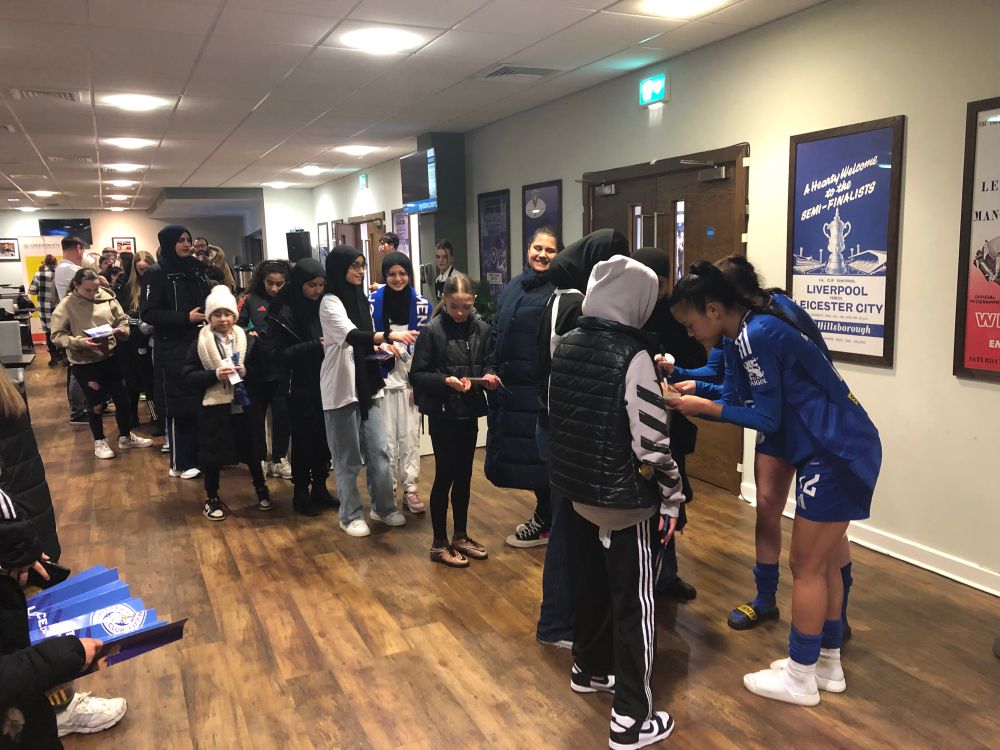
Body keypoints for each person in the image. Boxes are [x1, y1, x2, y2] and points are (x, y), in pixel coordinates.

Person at [668, 261, 881, 706]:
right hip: (836, 446)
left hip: (835, 450)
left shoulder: (756, 333)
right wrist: (702, 395)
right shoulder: (758, 324)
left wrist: (702, 408)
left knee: (807, 566)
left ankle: (800, 677)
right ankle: (826, 664)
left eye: (690, 325)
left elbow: (766, 418)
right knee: (824, 561)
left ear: (713, 309)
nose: (690, 334)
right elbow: (752, 396)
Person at [548, 256, 682, 750]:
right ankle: (631, 718)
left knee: (592, 587)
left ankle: (588, 667)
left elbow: (558, 416)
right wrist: (673, 494)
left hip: (578, 492)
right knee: (636, 605)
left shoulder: (567, 342)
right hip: (627, 502)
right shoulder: (634, 355)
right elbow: (651, 444)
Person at [0, 367, 127, 741]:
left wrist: (21, 540)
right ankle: (59, 706)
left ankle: (54, 703)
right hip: (14, 534)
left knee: (34, 619)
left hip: (24, 527)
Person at [533, 228, 628, 647]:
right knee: (568, 531)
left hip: (553, 424)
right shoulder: (575, 303)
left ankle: (566, 617)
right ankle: (556, 624)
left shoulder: (560, 296)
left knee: (570, 527)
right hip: (563, 430)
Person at [320, 246, 417, 537]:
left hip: (369, 384)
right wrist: (388, 335)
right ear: (339, 269)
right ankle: (349, 515)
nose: (360, 271)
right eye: (354, 266)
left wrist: (382, 346)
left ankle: (383, 507)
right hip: (342, 389)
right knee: (347, 458)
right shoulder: (329, 301)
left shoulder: (361, 298)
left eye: (362, 266)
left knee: (379, 451)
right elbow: (351, 335)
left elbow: (365, 337)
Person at [632, 247, 707, 603]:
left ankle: (666, 574)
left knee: (669, 497)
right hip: (632, 420)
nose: (655, 289)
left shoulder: (675, 313)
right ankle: (639, 575)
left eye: (660, 283)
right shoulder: (627, 309)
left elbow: (697, 360)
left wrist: (672, 369)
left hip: (669, 418)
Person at [410, 273, 499, 566]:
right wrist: (445, 381)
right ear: (444, 301)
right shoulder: (432, 331)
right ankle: (439, 543)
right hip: (443, 413)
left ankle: (460, 535)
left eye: (466, 307)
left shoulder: (482, 329)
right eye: (454, 306)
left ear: (474, 302)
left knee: (464, 476)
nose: (460, 313)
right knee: (445, 475)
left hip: (468, 410)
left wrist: (489, 376)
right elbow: (417, 375)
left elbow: (490, 361)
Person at [486, 226, 559, 548]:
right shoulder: (513, 286)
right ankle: (547, 517)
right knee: (526, 459)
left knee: (541, 460)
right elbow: (497, 331)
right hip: (509, 389)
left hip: (538, 391)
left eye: (550, 250)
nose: (542, 255)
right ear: (528, 249)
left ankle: (548, 521)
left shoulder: (560, 291)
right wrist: (490, 367)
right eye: (537, 248)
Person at [183, 286, 269, 520]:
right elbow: (188, 376)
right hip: (214, 407)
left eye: (228, 314)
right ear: (209, 317)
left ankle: (261, 489)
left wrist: (246, 371)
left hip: (244, 404)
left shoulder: (247, 340)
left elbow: (262, 371)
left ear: (235, 315)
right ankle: (212, 497)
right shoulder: (200, 343)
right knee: (212, 454)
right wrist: (214, 375)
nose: (223, 319)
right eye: (217, 314)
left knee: (252, 450)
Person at [49, 268, 153, 459]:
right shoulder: (66, 306)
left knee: (123, 400)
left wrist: (122, 331)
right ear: (76, 285)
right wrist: (80, 342)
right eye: (87, 290)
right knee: (96, 404)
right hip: (84, 362)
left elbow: (122, 320)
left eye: (95, 289)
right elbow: (57, 335)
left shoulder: (107, 298)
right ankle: (99, 440)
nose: (92, 293)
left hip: (110, 356)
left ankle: (125, 436)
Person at [264, 258, 337, 516]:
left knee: (323, 439)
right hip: (298, 386)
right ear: (299, 284)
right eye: (312, 285)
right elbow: (277, 354)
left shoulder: (325, 306)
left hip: (324, 382)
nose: (318, 290)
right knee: (304, 440)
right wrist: (315, 345)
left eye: (321, 285)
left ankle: (320, 487)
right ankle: (301, 492)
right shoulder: (283, 312)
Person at [141, 225, 212, 480]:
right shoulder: (156, 273)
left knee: (200, 403)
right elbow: (148, 313)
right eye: (180, 240)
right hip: (172, 348)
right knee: (179, 405)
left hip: (201, 344)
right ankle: (180, 462)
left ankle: (202, 457)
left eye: (188, 239)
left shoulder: (196, 269)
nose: (186, 244)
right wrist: (185, 318)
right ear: (168, 243)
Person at [369, 252, 430, 514]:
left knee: (410, 438)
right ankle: (389, 488)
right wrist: (381, 346)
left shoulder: (422, 305)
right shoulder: (372, 303)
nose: (397, 279)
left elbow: (426, 346)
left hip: (409, 382)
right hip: (382, 380)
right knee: (386, 440)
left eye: (403, 273)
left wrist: (421, 380)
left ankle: (411, 488)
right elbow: (364, 339)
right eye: (392, 274)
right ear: (384, 276)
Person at [238, 259, 293, 480]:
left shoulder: (290, 301)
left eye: (279, 284)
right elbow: (236, 325)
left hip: (281, 367)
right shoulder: (250, 299)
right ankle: (259, 459)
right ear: (262, 281)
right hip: (255, 367)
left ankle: (279, 459)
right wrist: (247, 333)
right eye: (270, 283)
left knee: (283, 415)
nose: (274, 288)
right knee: (256, 417)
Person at [115, 251, 160, 436]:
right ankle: (131, 416)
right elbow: (119, 312)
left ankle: (155, 418)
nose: (143, 272)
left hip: (148, 340)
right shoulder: (127, 287)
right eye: (140, 269)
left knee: (148, 381)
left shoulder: (157, 285)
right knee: (130, 380)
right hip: (128, 341)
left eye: (146, 269)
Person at [54, 237, 88, 423]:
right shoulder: (70, 269)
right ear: (78, 248)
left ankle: (84, 407)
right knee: (79, 368)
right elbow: (97, 281)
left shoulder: (63, 268)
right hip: (76, 323)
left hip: (77, 321)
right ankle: (78, 412)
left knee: (81, 367)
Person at [28, 255, 62, 367]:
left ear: (45, 263)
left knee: (48, 332)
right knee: (61, 330)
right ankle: (63, 356)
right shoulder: (59, 273)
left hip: (44, 307)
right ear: (55, 263)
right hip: (59, 306)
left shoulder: (38, 274)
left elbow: (32, 291)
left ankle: (54, 358)